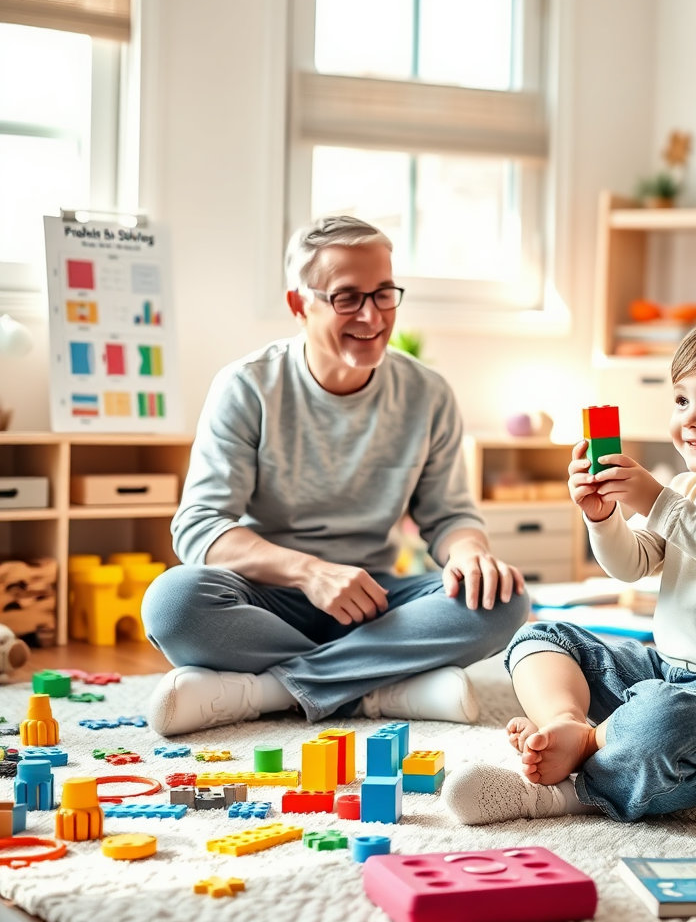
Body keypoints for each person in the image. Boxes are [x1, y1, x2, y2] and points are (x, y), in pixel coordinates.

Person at [142, 215, 530, 736]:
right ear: (299, 304)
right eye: (347, 297)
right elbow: (199, 526)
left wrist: (470, 554)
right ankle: (382, 687)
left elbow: (450, 515)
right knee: (173, 605)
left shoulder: (427, 393)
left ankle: (268, 690)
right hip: (266, 599)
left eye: (384, 293)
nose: (371, 315)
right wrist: (309, 572)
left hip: (374, 600)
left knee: (503, 599)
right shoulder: (247, 386)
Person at [444, 312, 696, 824]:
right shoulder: (691, 492)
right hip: (672, 674)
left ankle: (569, 787)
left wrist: (658, 501)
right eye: (681, 399)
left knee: (662, 722)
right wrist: (602, 519)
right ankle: (568, 722)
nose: (689, 418)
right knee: (542, 637)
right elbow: (632, 564)